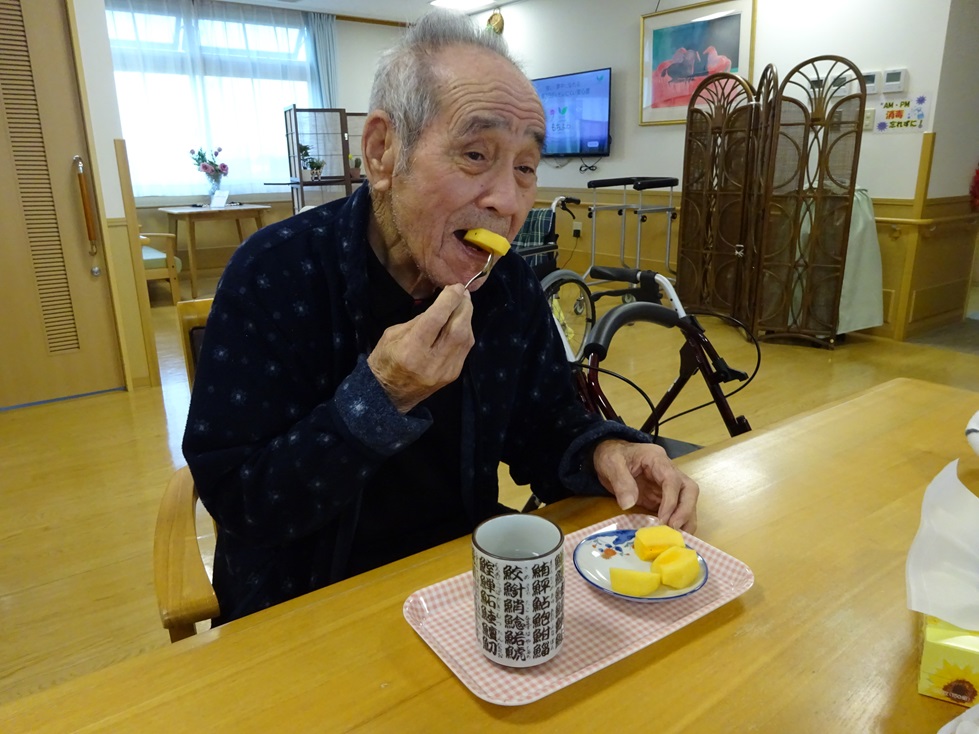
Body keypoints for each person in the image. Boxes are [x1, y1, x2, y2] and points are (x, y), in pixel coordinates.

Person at [182, 9, 699, 625]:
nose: (507, 202)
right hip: (308, 603)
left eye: (525, 167)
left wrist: (605, 451)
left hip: (461, 584)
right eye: (476, 154)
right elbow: (241, 497)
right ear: (383, 153)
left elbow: (544, 425)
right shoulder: (274, 273)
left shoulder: (506, 286)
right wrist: (380, 398)